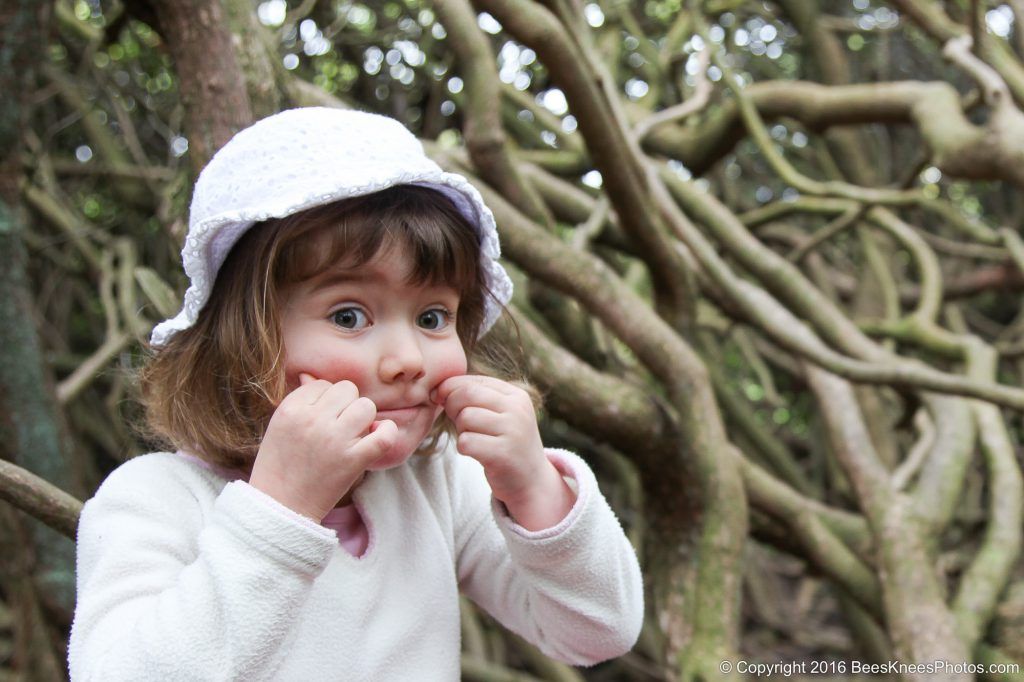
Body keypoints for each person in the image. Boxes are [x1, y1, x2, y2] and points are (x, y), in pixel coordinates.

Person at [68, 107, 643, 681]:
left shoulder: (436, 483)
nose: (408, 361)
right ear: (244, 339)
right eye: (348, 316)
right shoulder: (157, 501)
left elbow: (599, 631)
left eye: (433, 316)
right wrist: (280, 510)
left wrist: (535, 489)